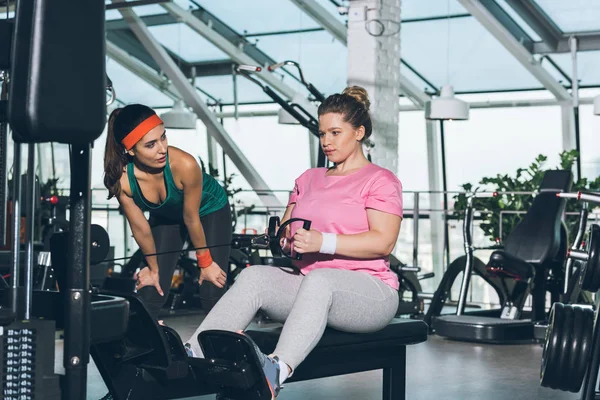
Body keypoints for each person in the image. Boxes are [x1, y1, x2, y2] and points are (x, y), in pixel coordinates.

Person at [184, 86, 403, 398]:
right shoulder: (308, 179)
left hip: (370, 292)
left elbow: (383, 243)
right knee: (254, 276)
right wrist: (287, 243)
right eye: (322, 132)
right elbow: (288, 232)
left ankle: (276, 370)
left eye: (336, 132)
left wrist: (321, 242)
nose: (326, 141)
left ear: (359, 132)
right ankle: (192, 353)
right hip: (312, 287)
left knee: (321, 279)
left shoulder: (379, 180)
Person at [103, 103, 232, 318]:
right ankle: (144, 348)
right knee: (151, 288)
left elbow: (191, 218)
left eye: (163, 137)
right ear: (131, 150)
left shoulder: (185, 165)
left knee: (212, 287)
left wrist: (206, 263)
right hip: (167, 217)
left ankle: (222, 347)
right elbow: (140, 228)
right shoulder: (122, 181)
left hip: (209, 210)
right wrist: (153, 269)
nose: (162, 148)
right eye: (151, 144)